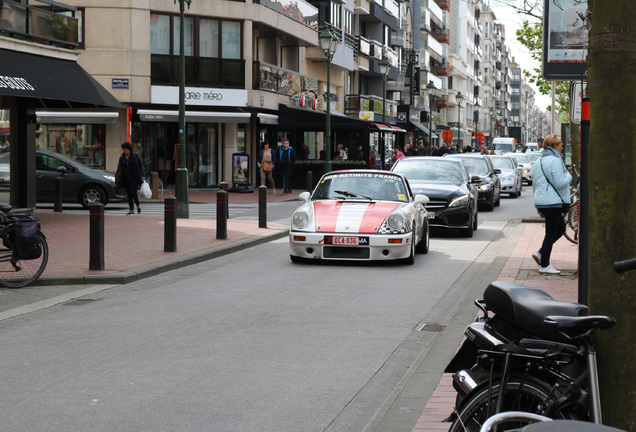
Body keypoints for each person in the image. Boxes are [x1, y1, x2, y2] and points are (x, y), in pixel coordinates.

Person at [531, 134, 572, 275]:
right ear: (554, 145)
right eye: (560, 144)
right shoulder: (555, 161)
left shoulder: (538, 162)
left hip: (543, 201)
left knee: (560, 229)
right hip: (553, 202)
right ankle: (545, 265)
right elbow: (560, 183)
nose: (562, 146)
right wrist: (569, 175)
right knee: (550, 234)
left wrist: (538, 205)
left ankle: (541, 253)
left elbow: (535, 184)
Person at [115, 142, 145, 215]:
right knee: (128, 194)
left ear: (129, 149)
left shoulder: (135, 156)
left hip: (134, 177)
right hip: (126, 178)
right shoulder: (122, 158)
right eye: (123, 149)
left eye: (125, 149)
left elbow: (141, 166)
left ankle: (138, 205)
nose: (124, 151)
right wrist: (117, 176)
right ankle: (131, 209)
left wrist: (142, 175)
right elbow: (119, 168)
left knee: (133, 192)